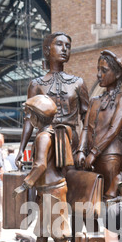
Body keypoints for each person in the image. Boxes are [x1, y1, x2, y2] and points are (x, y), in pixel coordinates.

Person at [13, 94, 71, 242]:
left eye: (30, 115)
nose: (28, 119)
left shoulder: (43, 137)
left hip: (52, 188)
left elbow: (40, 165)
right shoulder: (50, 133)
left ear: (37, 116)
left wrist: (25, 184)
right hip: (48, 187)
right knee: (42, 227)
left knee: (58, 227)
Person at [15, 32, 89, 167]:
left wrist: (82, 149)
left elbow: (87, 120)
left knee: (71, 181)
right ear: (47, 50)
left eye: (68, 46)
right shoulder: (36, 84)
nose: (64, 49)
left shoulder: (78, 82)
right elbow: (29, 119)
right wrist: (21, 148)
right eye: (59, 44)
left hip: (70, 140)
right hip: (44, 140)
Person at [76, 50, 122, 195]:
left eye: (104, 70)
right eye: (98, 70)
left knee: (110, 198)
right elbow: (86, 128)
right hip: (90, 157)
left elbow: (114, 129)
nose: (98, 74)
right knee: (91, 198)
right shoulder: (94, 100)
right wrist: (81, 150)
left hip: (110, 156)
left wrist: (94, 153)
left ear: (117, 74)